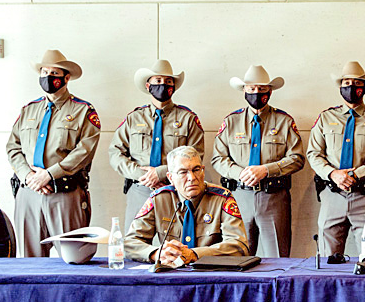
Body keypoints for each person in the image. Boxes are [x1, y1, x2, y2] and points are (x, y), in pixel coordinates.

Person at [6, 49, 100, 257]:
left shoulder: (83, 110)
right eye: (44, 72)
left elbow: (85, 151)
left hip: (64, 193)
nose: (48, 77)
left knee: (74, 257)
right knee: (30, 259)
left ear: (66, 78)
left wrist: (49, 174)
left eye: (54, 73)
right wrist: (28, 176)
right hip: (28, 193)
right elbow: (13, 147)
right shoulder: (29, 109)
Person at [211, 65, 305, 258]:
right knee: (237, 256)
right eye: (251, 89)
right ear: (244, 91)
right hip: (239, 197)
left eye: (261, 89)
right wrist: (241, 173)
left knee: (278, 258)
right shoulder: (231, 122)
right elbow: (218, 159)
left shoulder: (284, 121)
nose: (256, 93)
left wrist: (267, 170)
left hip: (274, 197)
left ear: (269, 91)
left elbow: (297, 158)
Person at [307, 61, 365, 256]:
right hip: (332, 195)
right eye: (346, 83)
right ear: (340, 87)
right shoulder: (325, 118)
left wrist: (355, 174)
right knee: (328, 259)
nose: (351, 87)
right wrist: (333, 174)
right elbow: (313, 154)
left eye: (357, 83)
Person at [109, 59, 204, 225]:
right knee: (135, 238)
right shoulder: (134, 118)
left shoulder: (188, 119)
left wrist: (160, 173)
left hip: (175, 190)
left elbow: (196, 157)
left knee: (174, 238)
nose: (163, 85)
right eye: (158, 81)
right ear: (148, 86)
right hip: (140, 189)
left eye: (168, 82)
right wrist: (143, 175)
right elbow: (115, 153)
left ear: (173, 87)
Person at [124, 146, 248, 265]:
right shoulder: (159, 199)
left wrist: (195, 254)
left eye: (196, 170)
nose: (192, 178)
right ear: (170, 178)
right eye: (183, 172)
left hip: (210, 272)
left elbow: (239, 245)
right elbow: (129, 243)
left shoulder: (222, 198)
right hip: (171, 272)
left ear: (203, 171)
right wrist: (157, 254)